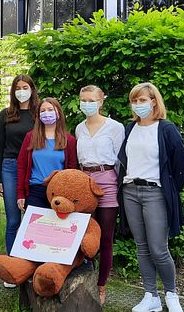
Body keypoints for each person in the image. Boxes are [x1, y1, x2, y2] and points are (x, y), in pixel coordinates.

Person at [117, 82, 184, 312]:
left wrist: (170, 191)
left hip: (155, 192)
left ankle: (171, 293)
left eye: (143, 100)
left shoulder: (166, 129)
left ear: (154, 101)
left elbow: (178, 166)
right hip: (130, 192)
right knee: (141, 246)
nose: (138, 105)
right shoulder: (129, 128)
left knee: (158, 248)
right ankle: (151, 296)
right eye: (135, 101)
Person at [75, 85, 125, 306]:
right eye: (83, 100)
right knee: (85, 234)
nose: (87, 103)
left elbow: (121, 160)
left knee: (105, 237)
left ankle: (101, 285)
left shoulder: (115, 127)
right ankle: (84, 274)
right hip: (85, 182)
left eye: (91, 100)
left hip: (107, 181)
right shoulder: (78, 128)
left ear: (101, 101)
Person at [0, 74, 38, 287]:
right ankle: (12, 266)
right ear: (13, 91)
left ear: (32, 89)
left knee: (33, 218)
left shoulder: (40, 113)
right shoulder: (6, 114)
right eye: (18, 87)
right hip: (10, 167)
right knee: (13, 219)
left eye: (25, 87)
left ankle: (31, 262)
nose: (21, 91)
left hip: (32, 167)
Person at [17, 97, 78, 211]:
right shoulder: (31, 137)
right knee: (35, 228)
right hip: (35, 191)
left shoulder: (69, 140)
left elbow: (72, 171)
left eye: (50, 109)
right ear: (38, 116)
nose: (46, 113)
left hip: (60, 193)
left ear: (58, 113)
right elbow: (22, 166)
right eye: (43, 111)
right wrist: (20, 194)